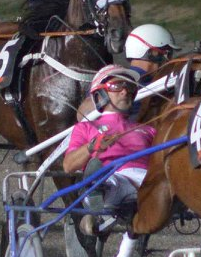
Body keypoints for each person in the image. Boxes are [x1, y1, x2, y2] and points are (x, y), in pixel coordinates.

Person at [61, 65, 156, 235]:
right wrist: (92, 146)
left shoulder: (148, 129)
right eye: (117, 86)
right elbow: (68, 166)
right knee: (110, 180)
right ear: (101, 94)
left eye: (130, 87)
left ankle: (97, 194)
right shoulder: (85, 127)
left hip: (146, 179)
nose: (125, 91)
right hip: (113, 176)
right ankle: (96, 191)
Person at [74, 23, 181, 118]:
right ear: (153, 53)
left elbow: (82, 115)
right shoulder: (117, 80)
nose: (170, 60)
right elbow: (83, 114)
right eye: (168, 54)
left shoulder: (108, 79)